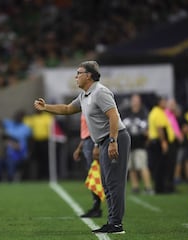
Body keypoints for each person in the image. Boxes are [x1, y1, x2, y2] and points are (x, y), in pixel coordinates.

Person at [34, 60, 130, 234]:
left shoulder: (100, 92)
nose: (76, 76)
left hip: (115, 139)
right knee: (107, 184)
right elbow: (67, 109)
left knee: (114, 183)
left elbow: (114, 116)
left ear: (89, 75)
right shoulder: (85, 95)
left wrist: (113, 141)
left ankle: (116, 224)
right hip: (102, 141)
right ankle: (112, 222)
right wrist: (45, 107)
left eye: (79, 73)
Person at [122, 94, 154, 195]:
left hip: (140, 144)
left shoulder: (143, 112)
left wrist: (147, 136)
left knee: (142, 166)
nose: (135, 102)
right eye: (133, 100)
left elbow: (147, 128)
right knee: (131, 167)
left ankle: (148, 187)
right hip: (128, 144)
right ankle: (135, 187)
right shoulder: (126, 112)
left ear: (140, 101)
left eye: (137, 100)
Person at [73, 114, 102, 218]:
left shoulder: (91, 106)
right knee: (93, 175)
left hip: (92, 141)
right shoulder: (85, 106)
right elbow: (86, 132)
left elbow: (95, 128)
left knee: (96, 175)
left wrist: (96, 145)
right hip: (87, 141)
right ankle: (96, 206)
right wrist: (79, 148)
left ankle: (97, 207)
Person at [147, 96, 176, 194]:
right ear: (159, 102)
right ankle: (161, 188)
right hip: (158, 143)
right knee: (161, 166)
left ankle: (160, 187)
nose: (165, 103)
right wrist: (163, 142)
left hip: (155, 142)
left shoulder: (155, 112)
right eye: (164, 101)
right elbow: (160, 129)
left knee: (158, 166)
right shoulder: (158, 113)